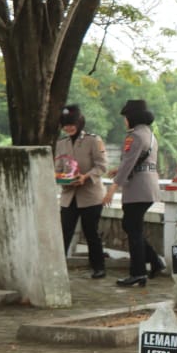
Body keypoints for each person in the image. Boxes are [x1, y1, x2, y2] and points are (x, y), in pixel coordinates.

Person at [103, 99, 166, 287]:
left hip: (138, 188)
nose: (124, 121)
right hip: (149, 186)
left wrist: (112, 189)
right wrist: (117, 169)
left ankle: (138, 272)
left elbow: (128, 164)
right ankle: (154, 262)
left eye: (125, 117)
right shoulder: (150, 135)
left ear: (132, 117)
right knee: (132, 227)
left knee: (132, 228)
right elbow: (137, 161)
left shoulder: (135, 136)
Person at [55, 105, 108, 279]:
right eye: (65, 124)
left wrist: (85, 177)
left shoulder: (93, 140)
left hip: (90, 195)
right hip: (69, 196)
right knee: (64, 232)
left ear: (79, 123)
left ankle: (98, 267)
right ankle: (57, 268)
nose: (68, 127)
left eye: (71, 124)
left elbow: (102, 166)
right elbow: (58, 168)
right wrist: (63, 178)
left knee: (91, 232)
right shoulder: (61, 143)